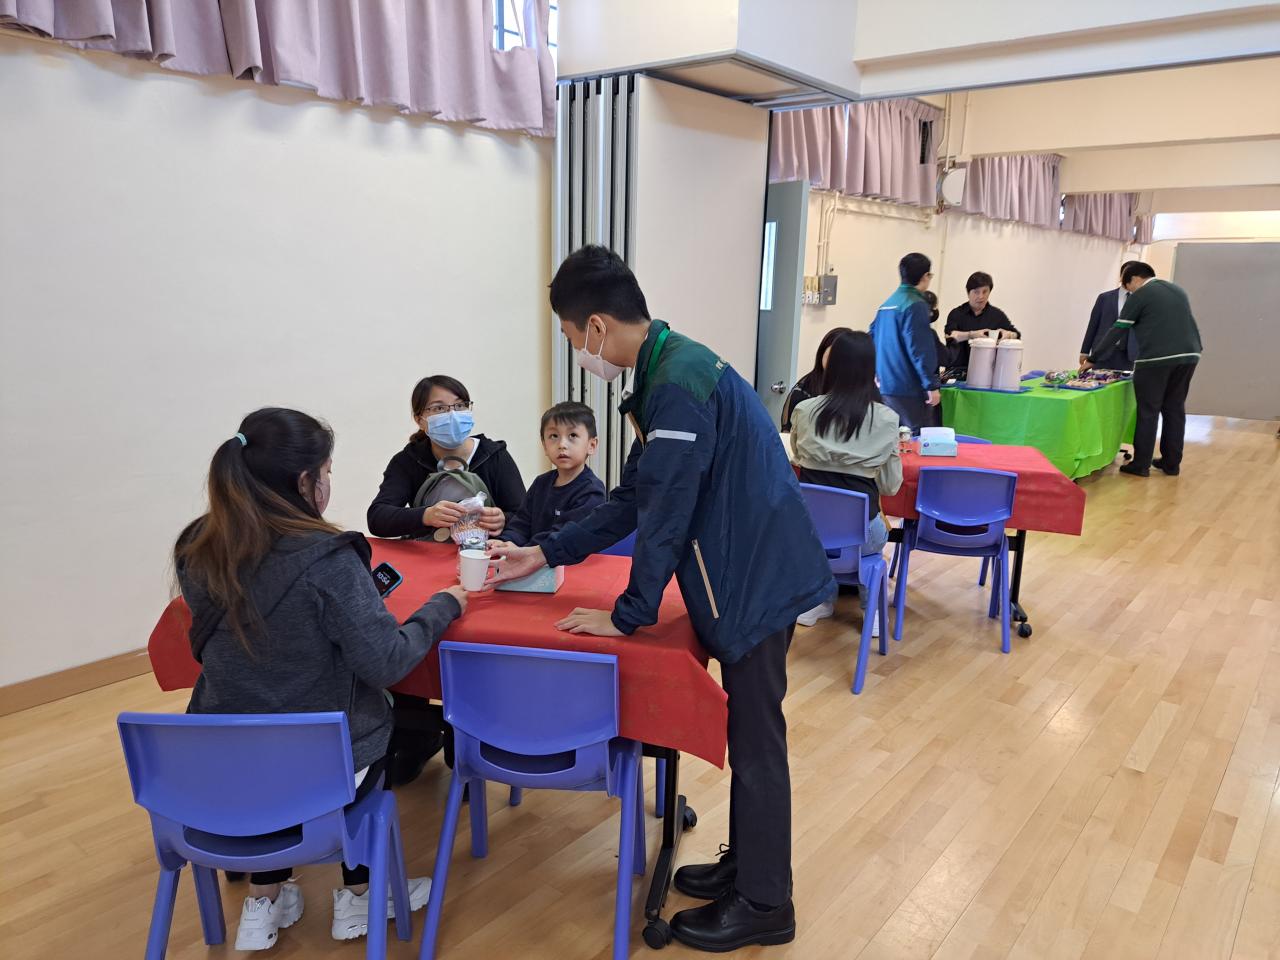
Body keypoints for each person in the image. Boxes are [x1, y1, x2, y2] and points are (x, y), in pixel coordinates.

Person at [489, 245, 834, 952]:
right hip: (748, 568)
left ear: (595, 326)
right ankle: (750, 866)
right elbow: (632, 499)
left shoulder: (675, 383)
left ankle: (766, 902)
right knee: (752, 737)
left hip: (756, 579)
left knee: (758, 744)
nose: (577, 352)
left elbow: (666, 515)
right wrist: (544, 551)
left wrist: (628, 615)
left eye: (571, 337)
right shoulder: (666, 369)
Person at [175, 407, 468, 951]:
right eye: (327, 472)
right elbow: (386, 661)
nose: (329, 482)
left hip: (221, 761)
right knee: (369, 723)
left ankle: (265, 899)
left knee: (264, 722)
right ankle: (360, 894)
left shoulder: (196, 546)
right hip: (322, 762)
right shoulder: (326, 557)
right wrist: (442, 605)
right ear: (306, 481)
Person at [789, 331, 902, 633]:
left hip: (810, 532)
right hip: (863, 537)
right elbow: (890, 487)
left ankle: (819, 601)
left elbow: (798, 456)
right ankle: (871, 609)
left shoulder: (805, 410)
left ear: (832, 365)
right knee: (870, 535)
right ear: (870, 369)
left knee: (823, 529)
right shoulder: (886, 419)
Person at [367, 375, 526, 540]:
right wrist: (426, 515)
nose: (453, 415)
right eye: (439, 408)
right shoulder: (408, 461)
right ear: (419, 420)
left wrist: (503, 519)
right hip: (426, 552)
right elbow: (377, 518)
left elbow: (524, 517)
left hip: (484, 553)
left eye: (460, 405)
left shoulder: (494, 456)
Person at [1084, 262, 1202, 477]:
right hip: (1190, 356)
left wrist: (1093, 358)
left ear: (1135, 279)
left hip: (1156, 359)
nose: (1128, 291)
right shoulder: (1176, 290)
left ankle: (1140, 464)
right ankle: (1171, 463)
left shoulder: (1141, 294)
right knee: (1174, 409)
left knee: (1148, 411)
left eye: (1127, 285)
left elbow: (1118, 328)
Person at [496, 401, 606, 546]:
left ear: (591, 445)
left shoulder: (592, 491)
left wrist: (522, 552)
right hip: (531, 556)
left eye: (572, 435)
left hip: (565, 558)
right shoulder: (541, 483)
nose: (562, 444)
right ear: (545, 446)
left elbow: (564, 538)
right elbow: (520, 524)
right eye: (554, 436)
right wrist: (505, 542)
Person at [870, 252, 939, 432]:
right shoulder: (915, 304)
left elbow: (871, 337)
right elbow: (920, 349)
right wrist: (931, 385)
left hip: (885, 386)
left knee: (889, 437)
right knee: (914, 440)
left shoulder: (886, 305)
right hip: (909, 388)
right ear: (925, 276)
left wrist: (875, 371)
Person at [779, 326, 853, 432]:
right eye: (832, 357)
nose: (837, 364)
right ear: (822, 354)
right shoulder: (803, 391)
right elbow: (788, 433)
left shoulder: (860, 390)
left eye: (844, 359)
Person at [945, 271, 1021, 370]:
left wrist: (1009, 335)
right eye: (976, 292)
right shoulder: (957, 313)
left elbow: (1017, 334)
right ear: (968, 293)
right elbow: (949, 336)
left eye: (985, 291)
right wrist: (972, 335)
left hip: (987, 370)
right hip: (957, 371)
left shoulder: (997, 315)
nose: (981, 296)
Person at [1080, 261, 1141, 371]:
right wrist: (1085, 351)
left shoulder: (1141, 301)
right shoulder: (1105, 298)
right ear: (1121, 276)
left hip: (1128, 355)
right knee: (1097, 381)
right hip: (1102, 354)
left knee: (1124, 382)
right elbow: (1093, 325)